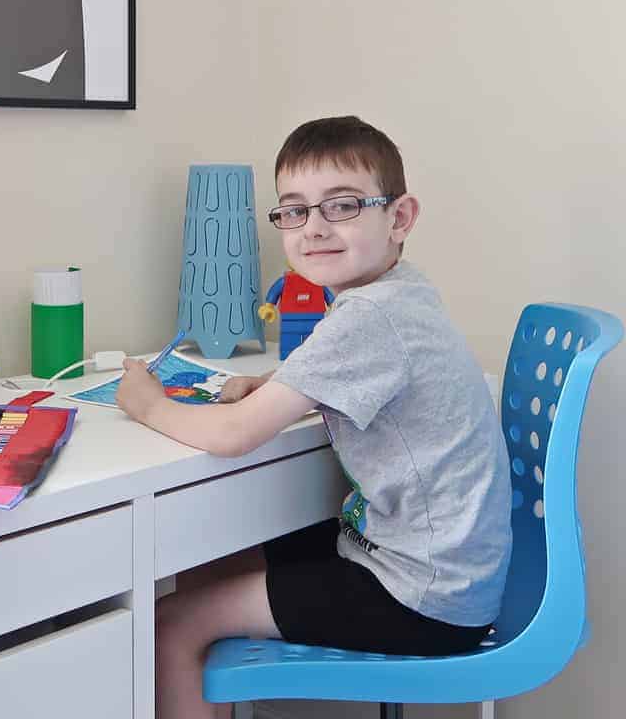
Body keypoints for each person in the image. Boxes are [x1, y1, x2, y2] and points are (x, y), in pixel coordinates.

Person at [117, 115, 512, 719]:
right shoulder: (399, 294)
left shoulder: (366, 318)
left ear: (399, 218)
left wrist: (147, 402)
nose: (315, 228)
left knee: (173, 623)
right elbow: (371, 372)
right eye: (294, 210)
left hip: (420, 595)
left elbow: (232, 435)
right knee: (215, 557)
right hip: (443, 573)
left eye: (343, 206)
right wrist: (278, 382)